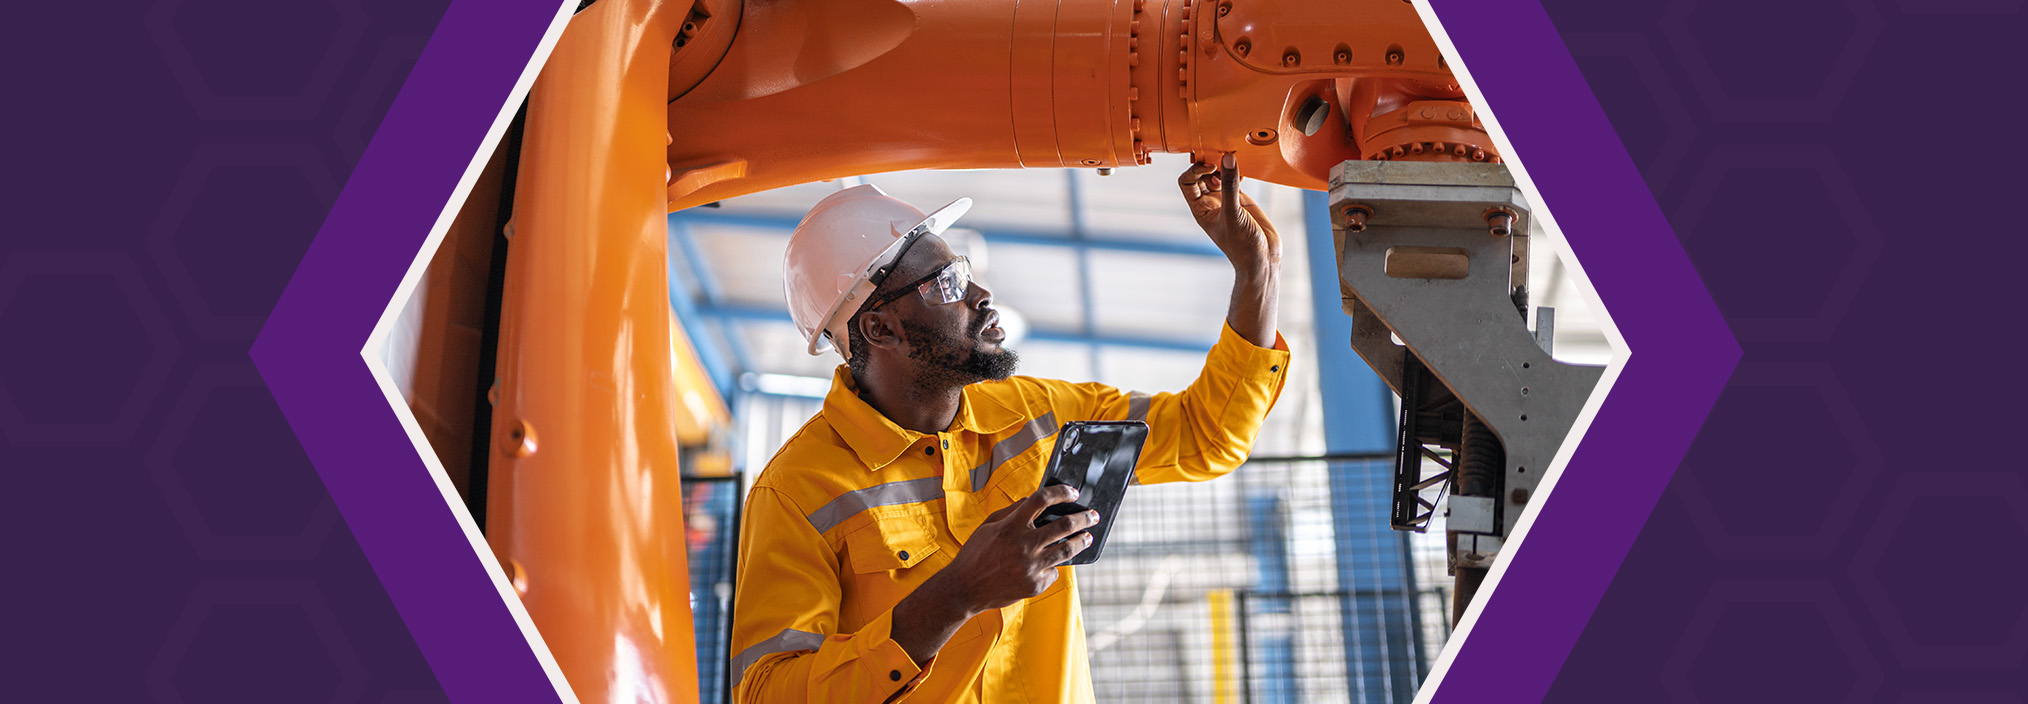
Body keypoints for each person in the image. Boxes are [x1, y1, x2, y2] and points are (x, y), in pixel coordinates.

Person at [730, 155, 1290, 703]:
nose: (980, 296)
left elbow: (1205, 435)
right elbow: (767, 692)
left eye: (966, 273)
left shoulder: (1037, 412)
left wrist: (1256, 273)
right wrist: (955, 596)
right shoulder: (797, 492)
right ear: (880, 327)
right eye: (946, 284)